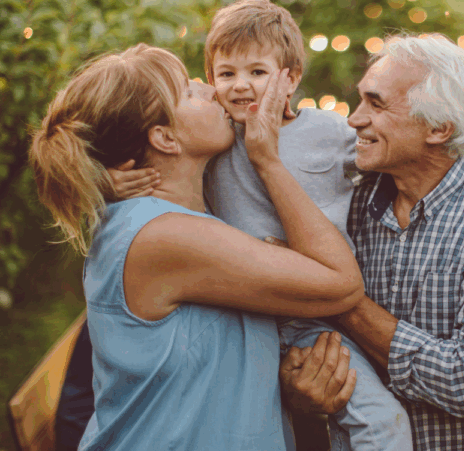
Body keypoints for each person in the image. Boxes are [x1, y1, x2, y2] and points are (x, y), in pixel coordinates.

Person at [103, 0, 464, 451]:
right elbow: (148, 157)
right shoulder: (217, 138)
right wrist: (108, 178)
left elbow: (401, 144)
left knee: (383, 421)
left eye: (257, 73)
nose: (239, 87)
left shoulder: (328, 133)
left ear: (290, 77)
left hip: (316, 316)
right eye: (225, 74)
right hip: (249, 309)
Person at [29, 44, 364, 451]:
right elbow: (341, 284)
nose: (209, 89)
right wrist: (267, 161)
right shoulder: (164, 237)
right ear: (166, 138)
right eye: (188, 92)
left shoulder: (159, 219)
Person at [283, 34, 464, 451]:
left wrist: (334, 290)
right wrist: (297, 382)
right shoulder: (347, 201)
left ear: (439, 128)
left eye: (376, 104)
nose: (354, 119)